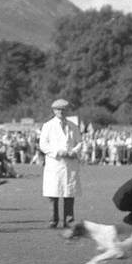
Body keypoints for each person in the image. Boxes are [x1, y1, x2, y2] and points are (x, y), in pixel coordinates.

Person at [39, 98, 82, 228]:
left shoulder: (73, 126)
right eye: (58, 109)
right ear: (54, 111)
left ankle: (69, 219)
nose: (61, 112)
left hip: (70, 163)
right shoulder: (48, 126)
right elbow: (43, 145)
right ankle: (53, 219)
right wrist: (58, 152)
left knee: (69, 192)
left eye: (63, 110)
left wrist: (74, 151)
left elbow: (79, 142)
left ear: (67, 111)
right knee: (54, 192)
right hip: (55, 163)